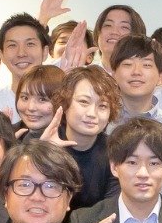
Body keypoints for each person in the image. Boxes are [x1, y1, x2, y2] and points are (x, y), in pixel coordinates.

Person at [50, 66, 120, 209]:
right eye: (84, 102)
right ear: (65, 104)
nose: (92, 113)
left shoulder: (115, 152)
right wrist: (44, 155)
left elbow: (110, 208)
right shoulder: (42, 141)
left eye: (102, 106)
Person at [0, 13, 52, 118]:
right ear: (1, 55)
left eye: (30, 44)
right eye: (12, 45)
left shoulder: (59, 100)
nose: (21, 53)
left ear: (45, 52)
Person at [109, 35, 162, 126]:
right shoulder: (100, 122)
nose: (136, 72)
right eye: (128, 64)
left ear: (161, 77)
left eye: (146, 65)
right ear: (114, 74)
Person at [13, 64, 65, 139]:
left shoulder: (73, 139)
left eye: (42, 99)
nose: (31, 107)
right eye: (25, 98)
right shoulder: (9, 135)